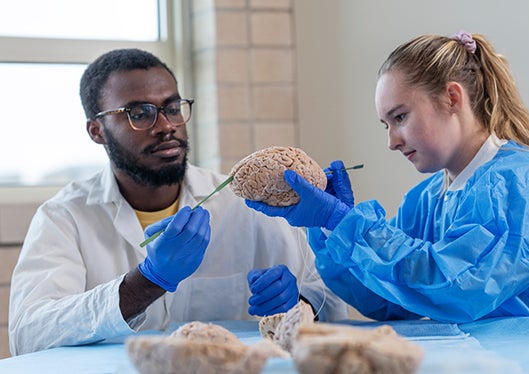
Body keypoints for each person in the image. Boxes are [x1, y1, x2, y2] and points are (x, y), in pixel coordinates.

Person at [246, 31, 529, 337]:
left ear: (452, 98)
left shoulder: (521, 182)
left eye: (400, 117)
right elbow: (388, 300)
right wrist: (332, 230)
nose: (392, 142)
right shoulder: (427, 199)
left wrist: (345, 224)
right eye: (386, 125)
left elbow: (459, 287)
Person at [8, 48, 347, 355]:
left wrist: (300, 304)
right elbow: (29, 334)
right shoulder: (65, 217)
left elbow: (331, 302)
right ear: (97, 130)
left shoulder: (245, 205)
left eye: (172, 107)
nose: (167, 126)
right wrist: (147, 281)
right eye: (139, 114)